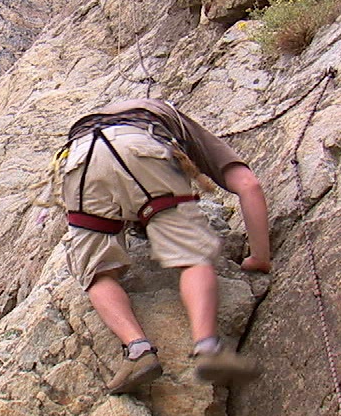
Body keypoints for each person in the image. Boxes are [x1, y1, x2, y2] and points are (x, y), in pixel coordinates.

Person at [54, 98, 272, 395]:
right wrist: (259, 257)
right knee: (192, 257)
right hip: (142, 143)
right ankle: (208, 348)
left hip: (78, 156)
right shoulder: (174, 119)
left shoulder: (101, 118)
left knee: (97, 271)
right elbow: (249, 185)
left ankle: (137, 350)